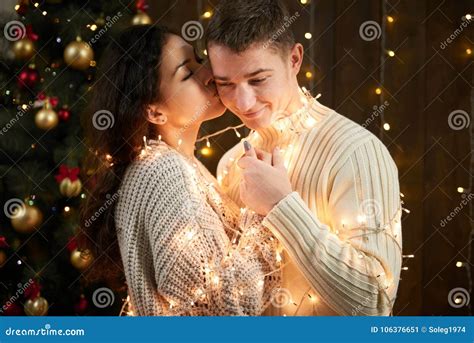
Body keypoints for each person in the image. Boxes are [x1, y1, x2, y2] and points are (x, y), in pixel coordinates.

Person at [207, 0, 403, 316]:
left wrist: (281, 205)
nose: (242, 102)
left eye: (257, 79)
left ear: (295, 59)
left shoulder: (355, 151)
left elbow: (373, 304)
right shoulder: (231, 163)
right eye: (225, 84)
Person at [79, 25, 282, 316]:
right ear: (154, 111)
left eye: (198, 59)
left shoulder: (182, 165)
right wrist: (267, 210)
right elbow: (224, 307)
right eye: (187, 73)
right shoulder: (163, 173)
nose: (208, 72)